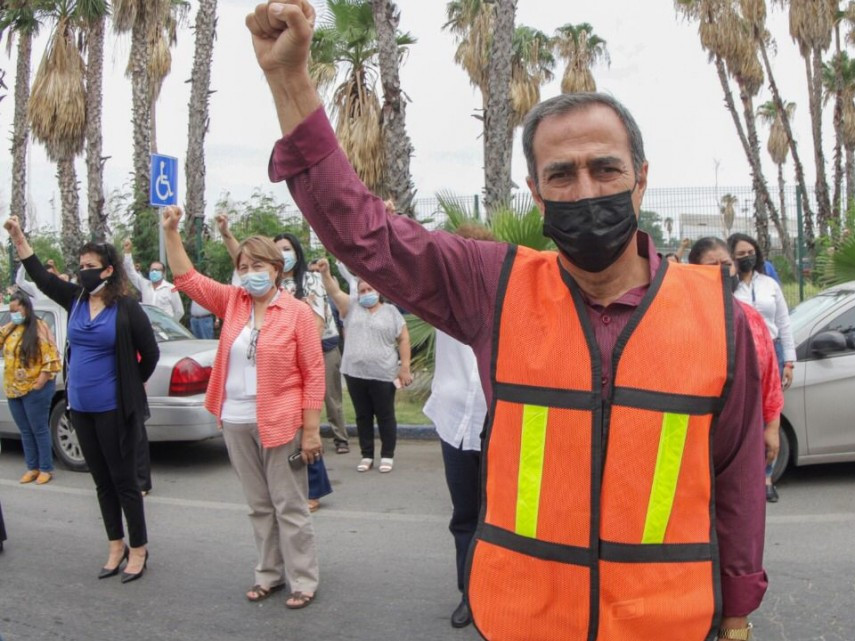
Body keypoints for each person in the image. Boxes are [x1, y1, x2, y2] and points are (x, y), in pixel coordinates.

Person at [247, 5, 767, 638]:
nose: (584, 190)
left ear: (641, 180)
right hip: (526, 621)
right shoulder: (493, 286)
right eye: (561, 175)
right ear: (535, 191)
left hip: (669, 624)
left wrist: (737, 613)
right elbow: (363, 232)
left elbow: (737, 480)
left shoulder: (717, 315)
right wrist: (291, 81)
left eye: (605, 168)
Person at [163, 204, 325, 610]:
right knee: (258, 504)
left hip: (281, 421)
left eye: (257, 265)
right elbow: (187, 278)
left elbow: (313, 373)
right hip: (235, 418)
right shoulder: (232, 302)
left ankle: (302, 579)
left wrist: (311, 429)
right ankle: (268, 574)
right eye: (243, 265)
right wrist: (170, 232)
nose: (249, 272)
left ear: (276, 269)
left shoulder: (297, 313)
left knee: (289, 503)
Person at [4, 219, 159, 583]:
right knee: (101, 481)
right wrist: (20, 240)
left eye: (91, 267)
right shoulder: (75, 300)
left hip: (113, 409)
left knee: (124, 481)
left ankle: (139, 548)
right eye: (81, 266)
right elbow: (43, 279)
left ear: (108, 270)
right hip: (80, 408)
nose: (83, 272)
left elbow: (149, 353)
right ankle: (115, 544)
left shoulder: (126, 307)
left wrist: (132, 385)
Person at [217, 217, 351, 455]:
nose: (282, 253)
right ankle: (300, 434)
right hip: (284, 352)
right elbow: (244, 257)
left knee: (330, 397)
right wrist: (227, 234)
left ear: (296, 253)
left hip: (320, 348)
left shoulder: (310, 279)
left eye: (287, 249)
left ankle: (339, 436)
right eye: (277, 249)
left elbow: (315, 324)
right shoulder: (272, 286)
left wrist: (303, 351)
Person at [420, 223, 493, 629]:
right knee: (465, 515)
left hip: (501, 422)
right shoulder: (438, 298)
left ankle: (504, 591)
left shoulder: (511, 298)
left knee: (501, 516)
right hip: (454, 423)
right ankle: (470, 594)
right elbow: (392, 268)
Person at [689, 237, 784, 504]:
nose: (722, 271)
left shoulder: (751, 318)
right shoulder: (682, 318)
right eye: (712, 265)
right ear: (693, 270)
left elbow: (769, 379)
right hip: (696, 438)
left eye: (726, 264)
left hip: (744, 435)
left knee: (740, 511)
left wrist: (772, 428)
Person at [316, 259, 412, 474]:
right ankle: (367, 455)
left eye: (370, 288)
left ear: (378, 290)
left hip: (384, 374)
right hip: (355, 373)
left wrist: (404, 367)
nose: (366, 292)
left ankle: (387, 455)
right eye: (362, 290)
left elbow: (404, 339)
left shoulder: (391, 312)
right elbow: (334, 290)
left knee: (385, 415)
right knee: (362, 415)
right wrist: (325, 273)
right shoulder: (351, 307)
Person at [4, 290, 62, 485]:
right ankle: (32, 467)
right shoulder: (12, 328)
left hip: (35, 387)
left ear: (26, 308)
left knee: (38, 429)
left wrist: (42, 380)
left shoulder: (39, 327)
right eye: (11, 310)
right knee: (25, 430)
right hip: (14, 389)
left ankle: (46, 468)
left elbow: (51, 357)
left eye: (16, 310)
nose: (14, 313)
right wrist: (13, 322)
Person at [729, 233, 796, 391]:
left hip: (772, 352)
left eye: (750, 253)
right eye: (741, 254)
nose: (747, 257)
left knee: (771, 405)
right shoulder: (726, 287)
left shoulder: (769, 284)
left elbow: (783, 322)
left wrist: (789, 362)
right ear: (731, 257)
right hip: (741, 354)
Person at [122, 239, 185, 322]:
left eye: (157, 270)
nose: (154, 272)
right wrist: (127, 252)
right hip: (149, 327)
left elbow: (179, 311)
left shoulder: (171, 288)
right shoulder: (144, 285)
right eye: (152, 270)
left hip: (165, 329)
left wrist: (171, 326)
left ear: (163, 273)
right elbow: (130, 271)